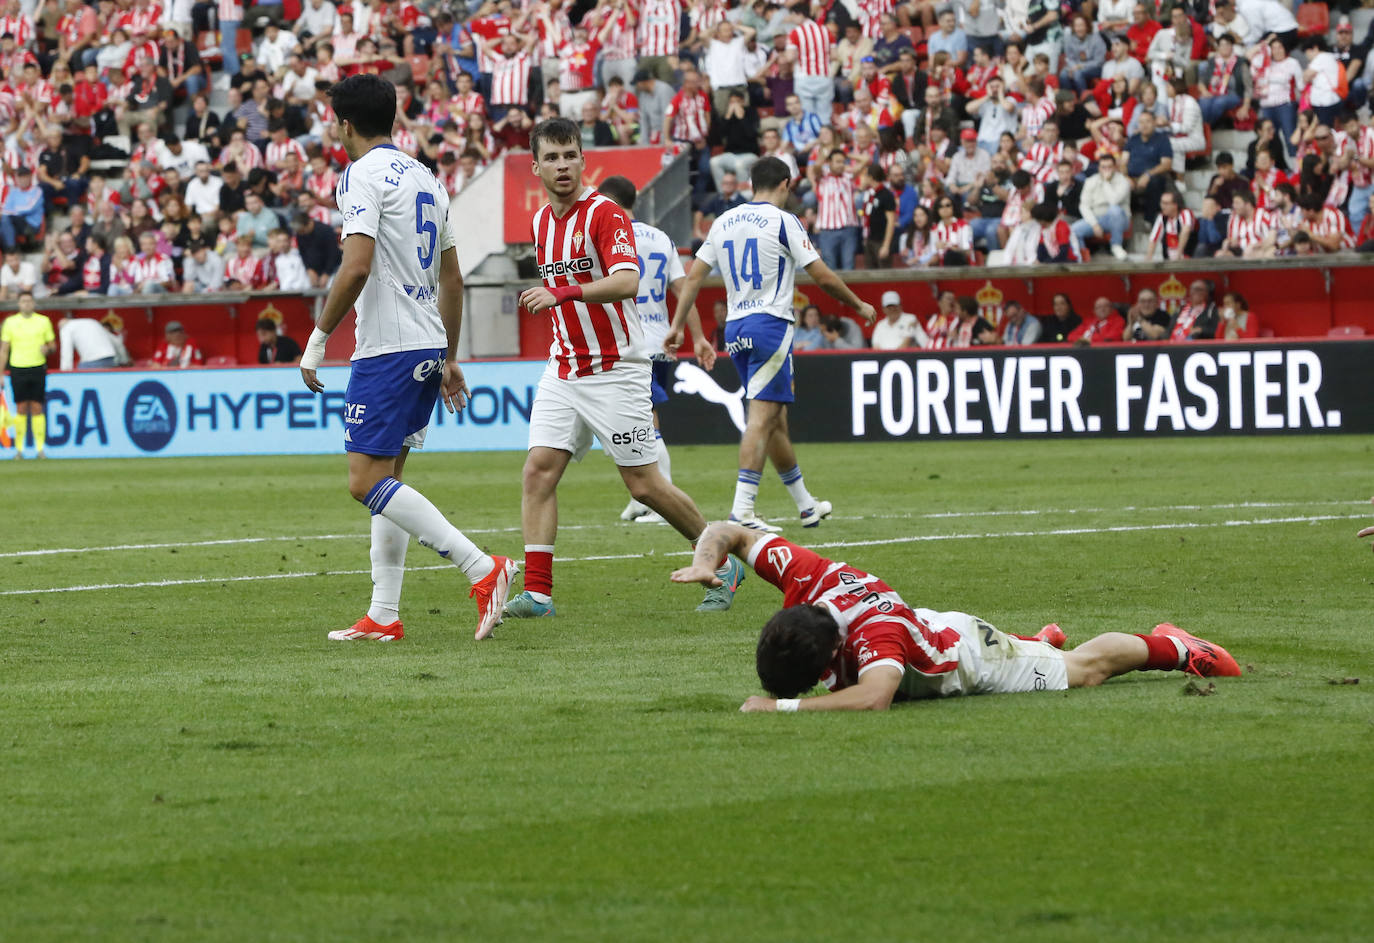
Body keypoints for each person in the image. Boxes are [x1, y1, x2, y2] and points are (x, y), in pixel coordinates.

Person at [295, 75, 516, 643]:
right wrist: (448, 354)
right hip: (423, 340)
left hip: (388, 346)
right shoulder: (427, 178)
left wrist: (318, 338)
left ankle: (481, 567)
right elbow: (452, 277)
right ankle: (384, 614)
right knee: (389, 476)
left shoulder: (360, 175)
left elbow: (357, 265)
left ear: (345, 124)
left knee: (364, 480)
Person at [504, 117, 742, 621]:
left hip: (616, 368)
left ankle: (721, 559)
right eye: (552, 157)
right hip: (564, 366)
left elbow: (628, 280)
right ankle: (540, 594)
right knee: (538, 472)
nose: (563, 166)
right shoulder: (542, 222)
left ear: (583, 160)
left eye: (570, 155)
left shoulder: (604, 213)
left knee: (644, 485)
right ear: (537, 166)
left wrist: (562, 291)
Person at [669, 523, 1241, 712]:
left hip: (969, 658)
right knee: (1037, 650)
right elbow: (727, 530)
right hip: (929, 624)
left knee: (1085, 668)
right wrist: (703, 562)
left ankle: (1174, 646)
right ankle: (1035, 641)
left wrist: (782, 707)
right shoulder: (807, 577)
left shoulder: (876, 640)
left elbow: (874, 698)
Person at [668, 157, 876, 534]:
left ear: (749, 183)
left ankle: (806, 505)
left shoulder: (723, 222)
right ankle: (742, 510)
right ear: (786, 183)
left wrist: (678, 324)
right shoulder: (784, 221)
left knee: (776, 420)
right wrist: (858, 304)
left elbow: (693, 276)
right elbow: (822, 275)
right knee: (761, 419)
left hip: (735, 329)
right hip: (770, 327)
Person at [596, 174, 714, 527]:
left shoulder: (608, 235)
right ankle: (641, 499)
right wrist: (699, 336)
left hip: (629, 343)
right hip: (660, 341)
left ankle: (666, 501)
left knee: (644, 424)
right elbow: (684, 290)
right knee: (632, 422)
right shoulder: (660, 237)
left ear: (608, 201)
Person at [0, 292, 56, 459]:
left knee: (38, 407)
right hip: (18, 368)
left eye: (29, 301)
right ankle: (19, 449)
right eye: (23, 301)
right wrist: (1, 373)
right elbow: (4, 350)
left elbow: (52, 345)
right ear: (19, 304)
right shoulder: (10, 322)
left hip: (38, 367)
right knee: (21, 408)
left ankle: (40, 449)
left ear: (33, 303)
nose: (26, 304)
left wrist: (48, 349)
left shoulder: (43, 321)